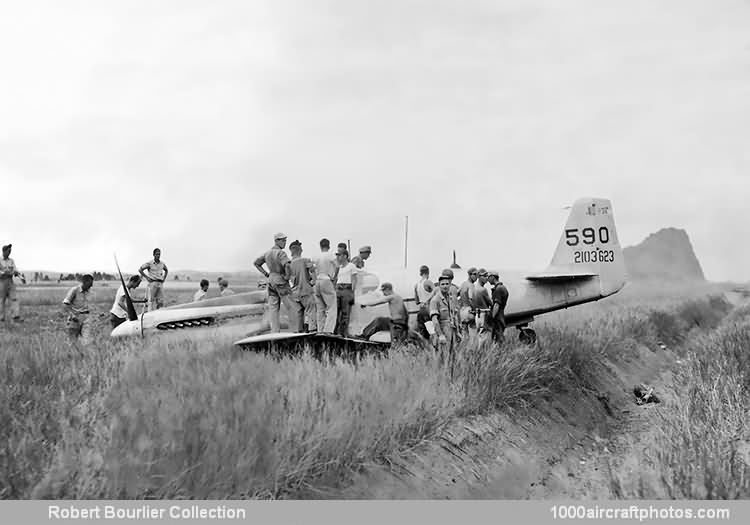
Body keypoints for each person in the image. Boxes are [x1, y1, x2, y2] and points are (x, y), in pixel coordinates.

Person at [254, 232, 295, 333]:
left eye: (285, 240)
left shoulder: (267, 253)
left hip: (271, 280)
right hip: (281, 280)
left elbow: (256, 263)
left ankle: (275, 332)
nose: (285, 242)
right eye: (282, 240)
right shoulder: (281, 253)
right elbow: (287, 265)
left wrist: (266, 274)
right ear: (276, 241)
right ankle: (296, 329)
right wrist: (287, 276)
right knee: (291, 306)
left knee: (273, 309)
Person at [429, 273, 461, 367]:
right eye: (442, 284)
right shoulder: (435, 300)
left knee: (452, 358)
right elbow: (435, 320)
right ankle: (442, 379)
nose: (445, 286)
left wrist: (457, 331)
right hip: (442, 331)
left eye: (447, 284)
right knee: (443, 358)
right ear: (439, 286)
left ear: (450, 285)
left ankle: (451, 379)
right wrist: (440, 335)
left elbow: (453, 316)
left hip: (451, 331)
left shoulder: (450, 298)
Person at [288, 240, 317, 333]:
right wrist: (313, 282)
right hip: (305, 290)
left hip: (294, 293)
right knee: (310, 310)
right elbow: (313, 274)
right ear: (299, 249)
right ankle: (311, 331)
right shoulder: (305, 260)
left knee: (299, 313)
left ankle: (298, 332)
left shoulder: (288, 264)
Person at [312, 238, 338, 333]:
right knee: (332, 307)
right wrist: (334, 278)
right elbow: (337, 266)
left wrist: (314, 279)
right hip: (326, 279)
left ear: (320, 246)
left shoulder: (315, 256)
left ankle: (320, 330)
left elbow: (311, 268)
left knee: (320, 308)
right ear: (329, 245)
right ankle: (328, 330)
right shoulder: (330, 255)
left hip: (318, 280)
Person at [63, 274, 96, 346]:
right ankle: (71, 355)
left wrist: (95, 314)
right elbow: (66, 304)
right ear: (84, 282)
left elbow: (89, 305)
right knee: (72, 342)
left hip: (86, 318)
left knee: (86, 341)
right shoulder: (74, 290)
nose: (91, 286)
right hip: (74, 318)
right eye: (90, 284)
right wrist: (72, 315)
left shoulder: (89, 292)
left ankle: (85, 355)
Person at [335, 250, 359, 336]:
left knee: (345, 312)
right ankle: (335, 331)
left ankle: (343, 332)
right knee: (336, 312)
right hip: (338, 288)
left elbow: (354, 279)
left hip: (347, 288)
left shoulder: (351, 266)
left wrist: (352, 292)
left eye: (339, 255)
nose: (338, 257)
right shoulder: (339, 267)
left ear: (345, 256)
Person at [0, 243, 25, 323]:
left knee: (14, 299)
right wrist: (3, 273)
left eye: (10, 251)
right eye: (8, 250)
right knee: (1, 300)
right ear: (4, 251)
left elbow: (15, 270)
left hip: (10, 282)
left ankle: (16, 317)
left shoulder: (11, 261)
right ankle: (1, 318)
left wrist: (21, 278)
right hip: (2, 282)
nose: (9, 252)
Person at [487, 270, 509, 344]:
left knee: (499, 337)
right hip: (501, 315)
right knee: (498, 336)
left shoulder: (498, 289)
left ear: (493, 277)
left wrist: (492, 317)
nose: (487, 279)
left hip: (497, 316)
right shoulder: (502, 287)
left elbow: (496, 305)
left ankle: (502, 352)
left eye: (488, 277)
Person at [414, 265, 434, 340]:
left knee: (423, 333)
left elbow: (416, 301)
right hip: (429, 309)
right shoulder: (428, 282)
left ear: (420, 273)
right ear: (428, 272)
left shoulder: (416, 285)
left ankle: (424, 348)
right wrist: (428, 300)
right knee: (432, 331)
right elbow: (436, 292)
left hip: (421, 310)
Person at [472, 269, 493, 333]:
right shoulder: (483, 290)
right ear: (478, 276)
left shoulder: (473, 288)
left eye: (487, 276)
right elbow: (491, 303)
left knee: (479, 336)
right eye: (484, 276)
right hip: (484, 315)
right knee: (484, 337)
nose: (486, 278)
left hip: (477, 315)